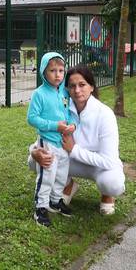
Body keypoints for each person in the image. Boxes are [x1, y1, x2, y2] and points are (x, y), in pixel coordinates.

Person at [29, 65, 125, 216]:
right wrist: (34, 152)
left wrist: (73, 150)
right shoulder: (63, 107)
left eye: (82, 85)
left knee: (112, 183)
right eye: (72, 86)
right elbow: (46, 137)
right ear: (66, 89)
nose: (77, 90)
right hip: (70, 161)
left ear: (91, 87)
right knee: (35, 161)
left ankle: (107, 195)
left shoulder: (105, 114)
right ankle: (68, 185)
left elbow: (109, 161)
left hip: (98, 165)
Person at [27, 52, 76, 227]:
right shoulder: (39, 94)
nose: (57, 75)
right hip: (47, 141)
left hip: (62, 143)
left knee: (62, 174)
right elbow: (32, 118)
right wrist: (55, 126)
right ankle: (40, 208)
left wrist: (72, 125)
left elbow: (70, 114)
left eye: (61, 70)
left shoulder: (64, 92)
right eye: (52, 70)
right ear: (43, 72)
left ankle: (55, 201)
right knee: (47, 175)